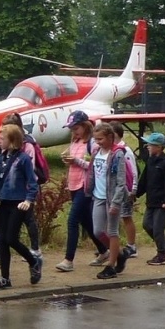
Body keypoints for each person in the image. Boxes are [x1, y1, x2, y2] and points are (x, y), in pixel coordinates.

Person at [0, 123, 42, 290]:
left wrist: (28, 200)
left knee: (11, 238)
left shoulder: (23, 159)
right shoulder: (0, 159)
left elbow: (32, 182)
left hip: (18, 204)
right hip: (4, 203)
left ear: (12, 141)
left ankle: (33, 261)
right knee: (2, 241)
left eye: (2, 138)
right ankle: (5, 279)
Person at [58, 111, 103, 271]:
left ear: (85, 126)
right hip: (74, 184)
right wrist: (68, 160)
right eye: (72, 129)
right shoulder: (75, 142)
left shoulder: (92, 144)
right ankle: (104, 250)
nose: (74, 131)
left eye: (76, 128)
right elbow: (75, 163)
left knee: (72, 221)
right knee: (86, 221)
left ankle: (68, 260)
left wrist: (76, 161)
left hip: (85, 186)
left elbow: (94, 165)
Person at [92, 123, 137, 279]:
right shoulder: (97, 151)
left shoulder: (118, 154)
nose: (98, 142)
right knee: (97, 231)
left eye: (101, 139)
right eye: (96, 139)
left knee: (112, 232)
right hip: (98, 196)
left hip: (112, 198)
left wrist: (116, 202)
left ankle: (111, 266)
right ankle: (120, 253)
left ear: (110, 137)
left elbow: (121, 181)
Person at [139, 133, 165, 265]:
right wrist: (136, 194)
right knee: (147, 225)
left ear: (159, 147)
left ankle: (161, 255)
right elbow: (144, 180)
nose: (147, 147)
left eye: (150, 145)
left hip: (162, 203)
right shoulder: (150, 161)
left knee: (158, 228)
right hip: (151, 201)